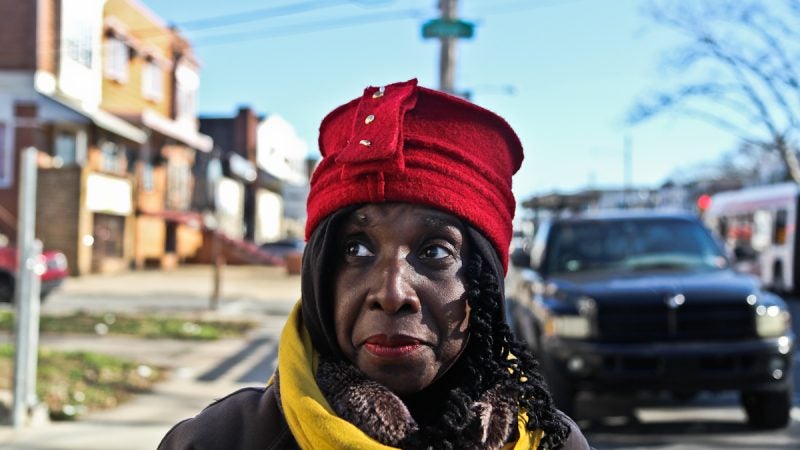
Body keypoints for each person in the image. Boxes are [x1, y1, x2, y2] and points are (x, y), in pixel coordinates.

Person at [159, 79, 591, 449]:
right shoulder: (221, 441)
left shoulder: (550, 442)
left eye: (435, 252)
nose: (391, 293)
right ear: (319, 276)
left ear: (485, 284)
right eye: (357, 250)